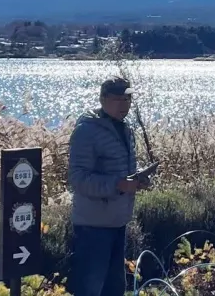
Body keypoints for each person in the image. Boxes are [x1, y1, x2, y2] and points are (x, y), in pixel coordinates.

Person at [68, 77, 153, 296]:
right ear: (103, 99)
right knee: (90, 289)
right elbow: (78, 178)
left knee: (114, 289)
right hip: (92, 226)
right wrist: (119, 185)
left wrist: (138, 178)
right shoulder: (87, 131)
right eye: (118, 99)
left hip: (117, 221)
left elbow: (120, 170)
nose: (125, 104)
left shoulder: (124, 129)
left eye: (128, 99)